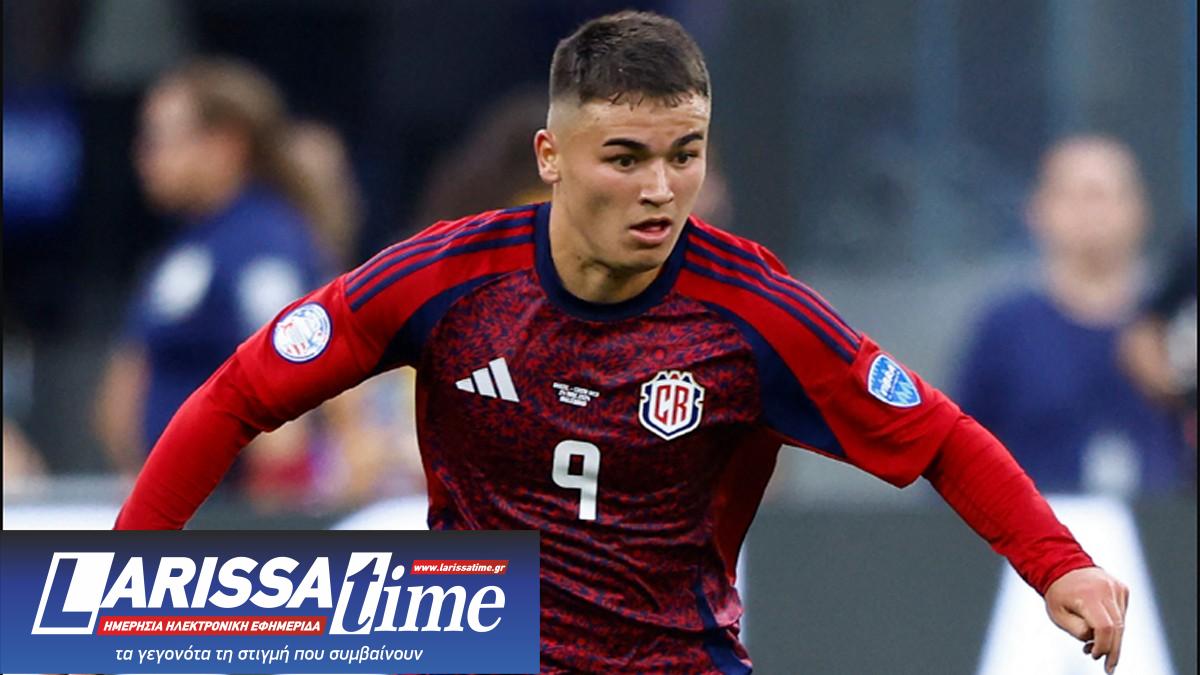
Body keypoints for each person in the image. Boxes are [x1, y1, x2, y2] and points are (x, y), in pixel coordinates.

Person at [115, 12, 1128, 674]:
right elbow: (237, 395)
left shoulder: (753, 312)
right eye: (626, 157)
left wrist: (1059, 567)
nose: (661, 189)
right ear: (551, 156)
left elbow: (939, 437)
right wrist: (124, 583)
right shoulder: (446, 279)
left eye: (685, 155)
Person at [92, 58, 330, 505]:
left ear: (224, 145)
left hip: (226, 516)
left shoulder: (263, 245)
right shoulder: (188, 244)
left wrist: (266, 522)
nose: (145, 156)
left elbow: (287, 388)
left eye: (161, 139)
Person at [956, 136, 1188, 496]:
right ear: (1037, 210)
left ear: (1140, 209)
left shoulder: (1179, 324)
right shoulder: (1004, 328)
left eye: (1105, 195)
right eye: (1073, 195)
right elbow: (959, 456)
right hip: (1035, 524)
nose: (1091, 213)